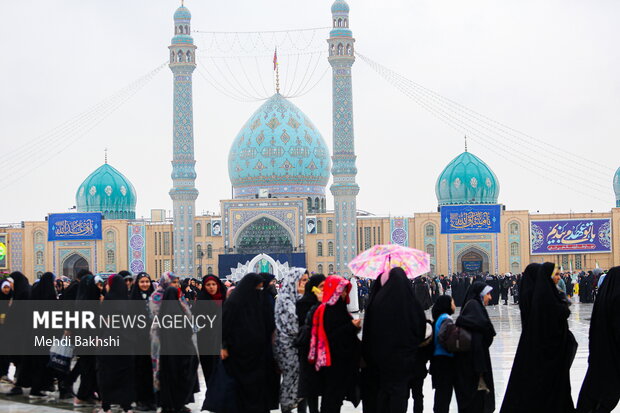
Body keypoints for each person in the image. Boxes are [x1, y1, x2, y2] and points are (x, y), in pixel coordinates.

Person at [500, 262, 577, 413]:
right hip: (549, 352)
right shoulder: (543, 297)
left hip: (538, 347)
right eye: (555, 274)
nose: (558, 277)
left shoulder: (541, 294)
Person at [362, 268, 427, 413]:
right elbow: (420, 330)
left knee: (383, 394)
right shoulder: (412, 304)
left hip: (381, 362)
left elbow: (369, 333)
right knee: (400, 396)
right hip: (405, 361)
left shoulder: (378, 303)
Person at [221, 273, 276, 413]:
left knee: (258, 391)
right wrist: (224, 346)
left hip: (258, 356)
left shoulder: (259, 304)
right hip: (238, 356)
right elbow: (224, 327)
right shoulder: (233, 304)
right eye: (257, 289)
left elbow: (268, 325)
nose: (259, 292)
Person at [308, 275, 361, 413]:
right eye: (341, 290)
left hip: (341, 363)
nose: (344, 293)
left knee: (335, 399)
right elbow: (331, 337)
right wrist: (351, 327)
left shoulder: (338, 309)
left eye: (345, 290)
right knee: (331, 399)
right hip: (333, 363)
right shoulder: (328, 311)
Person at [577, 266, 620, 413]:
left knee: (595, 390)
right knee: (609, 393)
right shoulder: (617, 299)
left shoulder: (603, 299)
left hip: (599, 353)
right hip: (614, 355)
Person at [155, 285, 199, 413]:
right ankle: (180, 403)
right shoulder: (180, 311)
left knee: (167, 378)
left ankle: (167, 404)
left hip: (166, 354)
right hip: (181, 352)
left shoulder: (161, 313)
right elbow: (189, 332)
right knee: (181, 377)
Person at [454, 281, 496, 413]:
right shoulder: (474, 308)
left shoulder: (473, 307)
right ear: (480, 294)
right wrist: (480, 369)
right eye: (487, 294)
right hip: (475, 367)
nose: (490, 297)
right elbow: (479, 336)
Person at [97, 275, 134, 413]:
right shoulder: (128, 301)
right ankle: (127, 406)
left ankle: (106, 406)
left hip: (109, 343)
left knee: (107, 375)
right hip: (126, 344)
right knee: (125, 376)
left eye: (108, 284)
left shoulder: (108, 301)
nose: (106, 286)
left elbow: (104, 323)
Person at [275, 269, 307, 413]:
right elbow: (293, 324)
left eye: (307, 280)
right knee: (290, 380)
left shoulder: (300, 297)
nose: (306, 283)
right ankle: (287, 408)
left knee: (302, 381)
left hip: (300, 345)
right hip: (287, 347)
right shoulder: (285, 299)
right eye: (303, 280)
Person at [296, 274, 326, 413]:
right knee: (311, 389)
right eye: (321, 287)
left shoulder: (329, 304)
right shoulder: (303, 304)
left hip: (324, 353)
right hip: (309, 352)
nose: (323, 290)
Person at [196, 274, 226, 411]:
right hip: (206, 343)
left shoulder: (224, 299)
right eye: (208, 285)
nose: (211, 287)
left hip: (223, 342)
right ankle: (213, 401)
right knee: (210, 372)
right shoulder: (201, 300)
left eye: (213, 284)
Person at [129, 272, 156, 411]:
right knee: (140, 371)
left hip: (152, 342)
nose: (145, 284)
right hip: (138, 342)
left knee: (151, 371)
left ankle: (151, 399)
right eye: (142, 282)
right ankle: (140, 399)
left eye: (147, 281)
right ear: (137, 284)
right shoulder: (133, 300)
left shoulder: (155, 299)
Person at [430, 295, 457, 413]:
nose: (454, 305)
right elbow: (443, 337)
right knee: (445, 394)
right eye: (453, 302)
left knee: (440, 394)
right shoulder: (446, 318)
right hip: (445, 360)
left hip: (437, 360)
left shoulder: (439, 318)